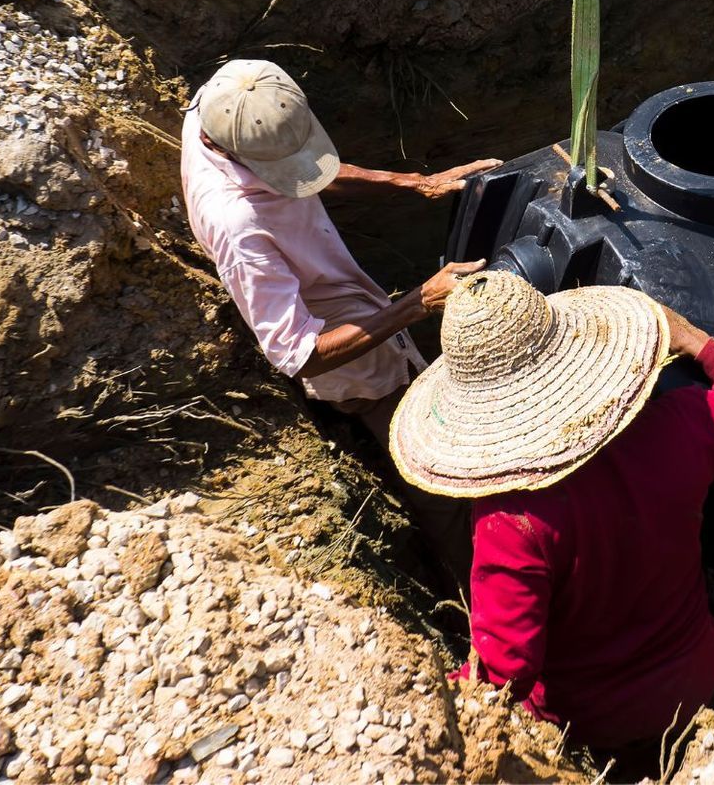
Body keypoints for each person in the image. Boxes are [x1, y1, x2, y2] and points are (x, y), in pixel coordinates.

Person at [388, 270, 714, 758]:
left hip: (590, 730)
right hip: (698, 688)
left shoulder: (510, 520)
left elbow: (505, 672)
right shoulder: (686, 421)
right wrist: (694, 340)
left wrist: (426, 702)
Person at [180, 58, 497, 564]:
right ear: (233, 154)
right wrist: (417, 303)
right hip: (347, 353)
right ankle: (472, 578)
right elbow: (298, 354)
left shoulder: (226, 98)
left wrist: (415, 183)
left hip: (341, 284)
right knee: (434, 472)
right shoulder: (238, 226)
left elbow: (303, 169)